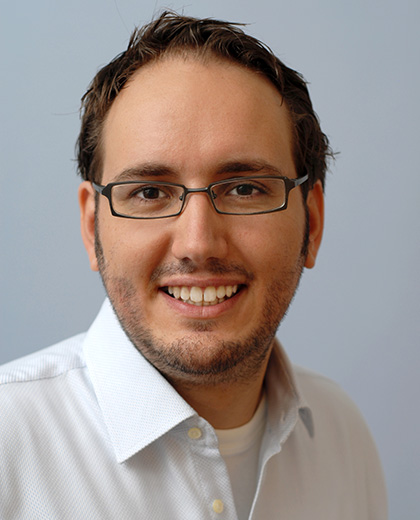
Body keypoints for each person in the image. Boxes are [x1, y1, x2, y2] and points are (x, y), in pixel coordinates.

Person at [0, 11, 387, 520]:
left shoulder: (343, 436)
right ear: (92, 226)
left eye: (245, 188)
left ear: (311, 223)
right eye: (149, 192)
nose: (198, 243)